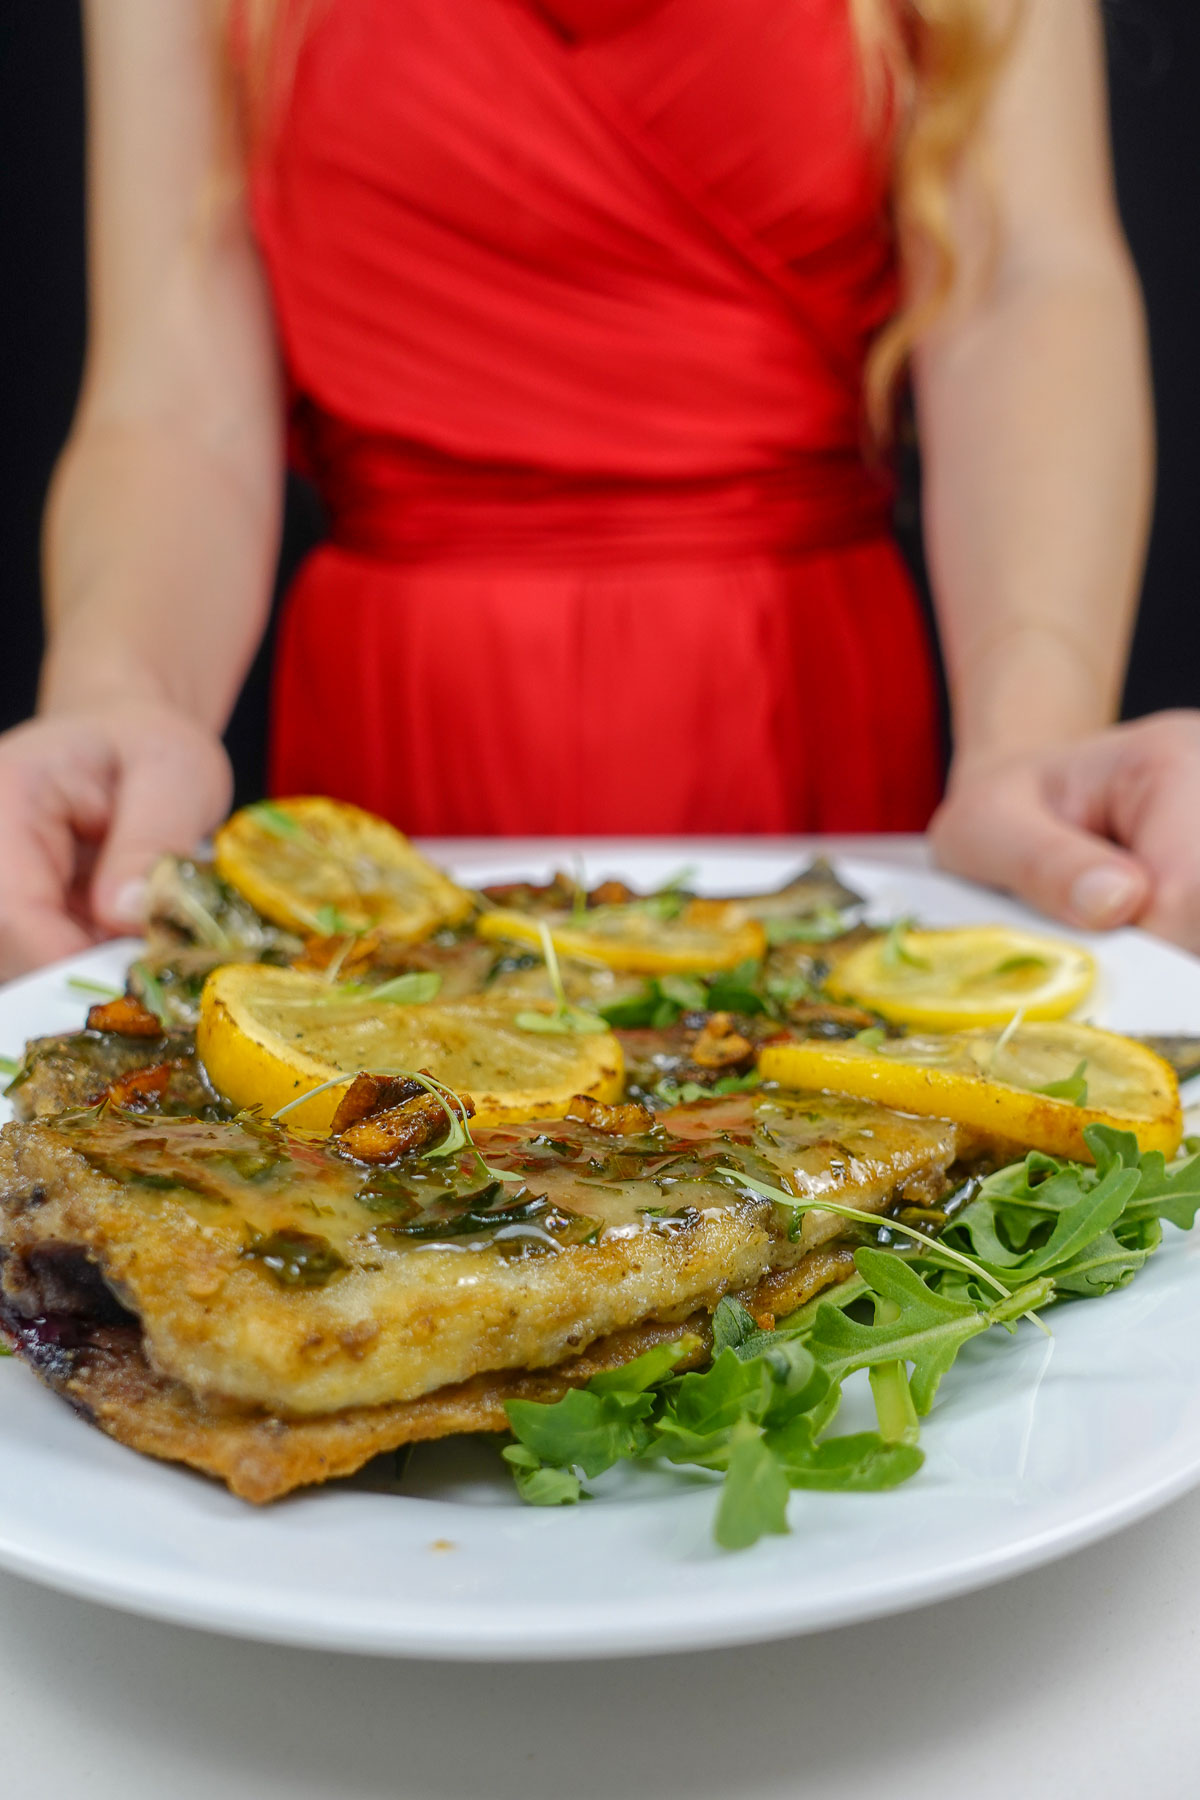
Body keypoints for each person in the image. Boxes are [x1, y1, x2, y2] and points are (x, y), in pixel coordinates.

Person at [2, 0, 1198, 980]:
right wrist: (118, 697)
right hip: (404, 704)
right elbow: (175, 392)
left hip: (798, 684)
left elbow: (1021, 291)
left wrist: (1032, 744)